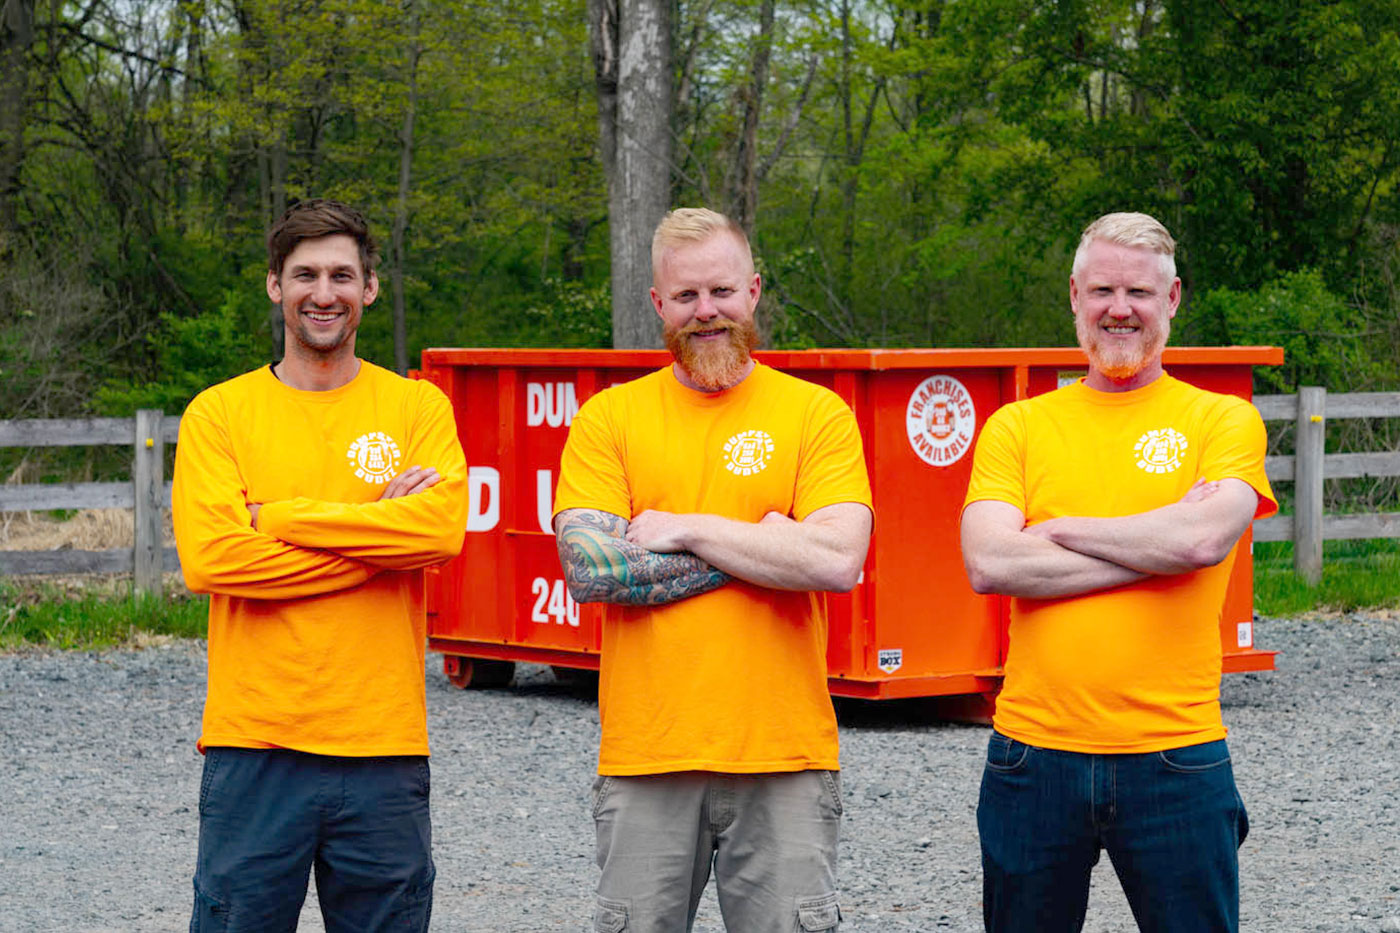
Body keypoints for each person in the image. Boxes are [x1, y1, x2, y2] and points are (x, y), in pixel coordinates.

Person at [552, 207, 874, 933]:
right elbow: (593, 568)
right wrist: (767, 549)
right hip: (646, 760)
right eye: (688, 297)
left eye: (723, 292)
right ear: (658, 305)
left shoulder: (815, 415)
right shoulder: (611, 418)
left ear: (754, 291)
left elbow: (838, 559)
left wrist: (689, 528)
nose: (708, 312)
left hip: (785, 759)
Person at [959, 211, 1278, 932]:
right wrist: (1154, 547)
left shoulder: (1222, 420)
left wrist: (1062, 530)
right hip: (1032, 757)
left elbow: (1200, 541)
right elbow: (989, 561)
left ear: (1172, 301)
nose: (1119, 308)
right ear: (1074, 296)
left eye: (1139, 291)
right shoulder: (1020, 426)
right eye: (1102, 289)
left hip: (1177, 756)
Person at [172, 198, 467, 932]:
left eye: (343, 274)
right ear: (275, 285)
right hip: (255, 745)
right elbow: (212, 559)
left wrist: (277, 516)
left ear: (370, 287)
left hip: (384, 747)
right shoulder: (220, 414)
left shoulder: (417, 409)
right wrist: (378, 541)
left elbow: (438, 532)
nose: (324, 292)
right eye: (305, 274)